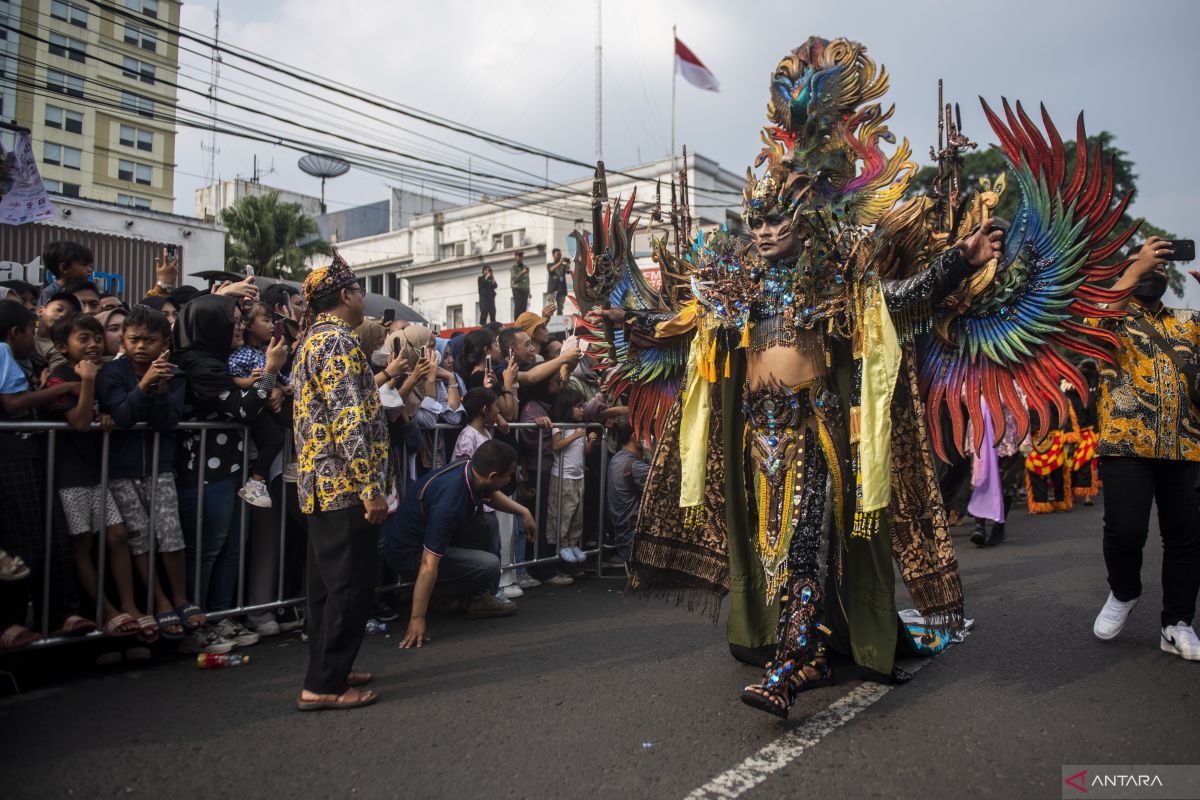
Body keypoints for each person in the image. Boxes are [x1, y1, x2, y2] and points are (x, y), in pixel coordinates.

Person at [582, 37, 1133, 718]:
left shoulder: (842, 279)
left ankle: (798, 661)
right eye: (755, 218)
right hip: (757, 436)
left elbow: (904, 301)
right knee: (770, 546)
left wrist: (959, 261)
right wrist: (635, 327)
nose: (762, 229)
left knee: (810, 539)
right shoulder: (736, 281)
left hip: (817, 433)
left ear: (804, 216)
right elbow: (684, 335)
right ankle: (791, 638)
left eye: (776, 217)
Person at [1088, 237, 1200, 660]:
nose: (1151, 272)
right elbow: (1093, 323)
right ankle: (1124, 591)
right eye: (1141, 265)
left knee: (1186, 538)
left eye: (1157, 266)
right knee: (1125, 530)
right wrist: (1134, 269)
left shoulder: (1189, 322)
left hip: (1186, 445)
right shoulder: (1110, 318)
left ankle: (1177, 623)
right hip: (1126, 445)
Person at [293, 256, 390, 711]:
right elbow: (348, 421)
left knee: (327, 588)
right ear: (346, 296)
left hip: (321, 486)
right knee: (348, 587)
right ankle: (325, 683)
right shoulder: (336, 342)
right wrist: (369, 487)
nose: (362, 299)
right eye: (358, 291)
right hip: (343, 487)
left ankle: (331, 666)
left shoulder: (313, 339)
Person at [173, 295, 284, 653]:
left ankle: (222, 617)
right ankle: (196, 624)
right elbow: (243, 410)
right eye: (234, 321)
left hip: (232, 466)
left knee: (231, 550)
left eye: (240, 320)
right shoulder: (200, 365)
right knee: (208, 550)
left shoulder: (219, 361)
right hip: (206, 470)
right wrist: (269, 372)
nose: (240, 326)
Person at [97, 305, 202, 639]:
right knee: (139, 537)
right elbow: (124, 416)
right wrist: (144, 384)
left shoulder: (176, 375)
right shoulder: (110, 374)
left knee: (171, 533)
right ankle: (159, 600)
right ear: (122, 342)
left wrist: (159, 388)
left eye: (149, 340)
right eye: (134, 339)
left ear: (164, 343)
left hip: (160, 467)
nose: (141, 346)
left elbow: (166, 421)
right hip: (122, 469)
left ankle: (181, 598)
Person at [43, 314, 151, 640]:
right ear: (63, 347)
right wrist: (87, 382)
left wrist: (103, 410)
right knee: (82, 542)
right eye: (83, 339)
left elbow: (96, 412)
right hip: (70, 474)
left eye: (96, 338)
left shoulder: (103, 373)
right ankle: (107, 610)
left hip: (95, 472)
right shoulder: (58, 377)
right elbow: (78, 421)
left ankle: (129, 605)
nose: (92, 345)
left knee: (117, 535)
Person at [384, 440, 537, 649]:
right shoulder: (449, 502)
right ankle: (449, 598)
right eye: (508, 475)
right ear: (493, 476)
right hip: (409, 554)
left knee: (486, 526)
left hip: (423, 539)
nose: (511, 479)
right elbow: (429, 564)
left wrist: (524, 511)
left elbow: (491, 495)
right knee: (490, 565)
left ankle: (471, 595)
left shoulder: (470, 469)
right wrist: (417, 619)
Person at [0, 302, 92, 646]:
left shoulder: (23, 359)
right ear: (15, 333)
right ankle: (11, 623)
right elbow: (11, 403)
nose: (36, 340)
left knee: (51, 540)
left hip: (32, 456)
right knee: (25, 547)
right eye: (32, 332)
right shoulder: (1, 352)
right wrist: (64, 389)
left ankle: (57, 617)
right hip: (14, 459)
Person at [228, 301, 289, 508]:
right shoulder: (239, 353)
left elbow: (276, 375)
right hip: (252, 405)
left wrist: (282, 388)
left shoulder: (264, 351)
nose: (272, 325)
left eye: (273, 320)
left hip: (267, 402)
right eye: (266, 320)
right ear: (249, 325)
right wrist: (252, 383)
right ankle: (256, 481)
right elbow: (233, 379)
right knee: (274, 438)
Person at [549, 388, 594, 564]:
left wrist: (590, 442)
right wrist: (575, 435)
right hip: (563, 476)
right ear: (567, 408)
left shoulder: (579, 427)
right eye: (578, 407)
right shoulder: (560, 426)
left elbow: (585, 452)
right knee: (564, 513)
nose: (582, 410)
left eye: (582, 406)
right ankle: (563, 544)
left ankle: (574, 543)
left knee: (577, 513)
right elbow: (556, 446)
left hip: (578, 476)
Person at [606, 418, 649, 565]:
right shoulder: (634, 466)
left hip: (623, 535)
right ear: (635, 437)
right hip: (633, 539)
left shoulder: (617, 459)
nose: (647, 437)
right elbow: (662, 485)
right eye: (645, 433)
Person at [37, 240, 93, 308]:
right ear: (64, 268)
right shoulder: (50, 293)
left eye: (89, 265)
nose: (90, 270)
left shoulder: (87, 290)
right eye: (84, 265)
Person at [547, 248, 569, 314]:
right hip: (552, 289)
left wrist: (568, 264)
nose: (559, 256)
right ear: (553, 255)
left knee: (560, 308)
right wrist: (560, 262)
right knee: (551, 308)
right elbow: (551, 269)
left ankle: (559, 323)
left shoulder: (563, 266)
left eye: (560, 254)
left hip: (562, 290)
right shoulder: (550, 264)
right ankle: (549, 322)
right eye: (558, 254)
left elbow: (568, 271)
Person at [510, 250, 530, 317]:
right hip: (517, 288)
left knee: (524, 308)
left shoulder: (525, 267)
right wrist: (522, 272)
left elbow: (527, 279)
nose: (520, 257)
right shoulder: (513, 267)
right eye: (519, 255)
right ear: (515, 256)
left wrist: (529, 290)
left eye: (521, 255)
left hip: (525, 289)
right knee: (518, 307)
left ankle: (522, 322)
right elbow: (514, 279)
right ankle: (517, 323)